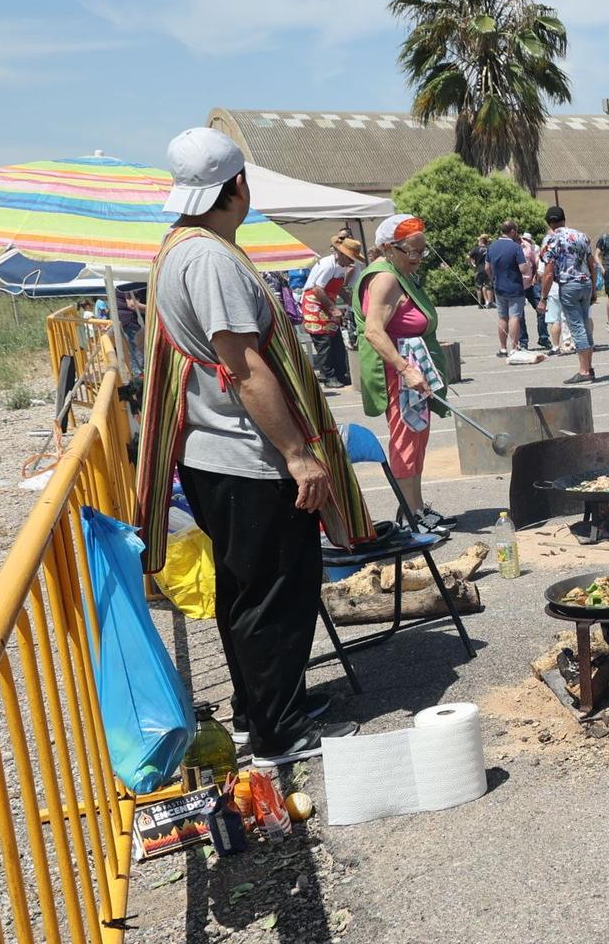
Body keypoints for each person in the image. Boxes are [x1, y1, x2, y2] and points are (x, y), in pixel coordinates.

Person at [134, 127, 365, 763]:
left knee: (249, 589)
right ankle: (278, 733)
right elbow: (244, 366)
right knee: (275, 591)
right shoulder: (208, 258)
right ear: (238, 185)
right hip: (245, 457)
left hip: (220, 455)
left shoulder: (182, 247)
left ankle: (263, 706)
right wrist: (297, 453)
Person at [355, 214, 450, 531]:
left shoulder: (398, 273)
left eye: (422, 251)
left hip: (411, 371)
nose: (418, 259)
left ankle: (416, 507)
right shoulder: (384, 278)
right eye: (411, 251)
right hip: (399, 376)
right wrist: (407, 370)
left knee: (417, 439)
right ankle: (411, 516)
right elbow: (374, 331)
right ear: (388, 248)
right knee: (406, 442)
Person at [539, 205, 596, 383]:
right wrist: (594, 287)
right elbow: (592, 263)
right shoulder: (581, 236)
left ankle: (584, 371)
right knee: (585, 324)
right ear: (564, 219)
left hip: (568, 284)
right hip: (585, 282)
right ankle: (589, 366)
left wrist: (543, 298)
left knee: (576, 326)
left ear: (549, 223)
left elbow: (548, 272)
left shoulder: (551, 240)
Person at [300, 231, 363, 388]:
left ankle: (341, 374)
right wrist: (333, 309)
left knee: (337, 341)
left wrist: (350, 301)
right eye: (349, 257)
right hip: (314, 304)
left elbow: (339, 287)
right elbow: (317, 289)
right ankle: (328, 376)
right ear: (341, 253)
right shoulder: (328, 264)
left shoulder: (342, 266)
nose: (350, 261)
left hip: (328, 303)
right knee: (324, 342)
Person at [485, 221, 529, 356]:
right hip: (515, 287)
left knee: (502, 317)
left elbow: (487, 267)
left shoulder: (492, 246)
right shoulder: (515, 247)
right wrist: (527, 266)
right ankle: (514, 348)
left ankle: (503, 348)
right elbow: (523, 268)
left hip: (499, 287)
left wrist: (493, 278)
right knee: (515, 317)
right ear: (513, 231)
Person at [520, 231, 549, 349]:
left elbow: (536, 263)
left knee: (541, 310)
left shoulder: (533, 248)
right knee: (520, 314)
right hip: (519, 285)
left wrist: (535, 276)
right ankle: (523, 341)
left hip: (531, 284)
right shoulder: (515, 249)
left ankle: (543, 337)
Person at [472, 233, 492, 309]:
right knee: (489, 286)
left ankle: (480, 303)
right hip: (487, 268)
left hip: (478, 269)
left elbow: (469, 257)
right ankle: (490, 302)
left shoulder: (476, 249)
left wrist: (472, 264)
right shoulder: (489, 248)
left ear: (481, 240)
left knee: (478, 287)